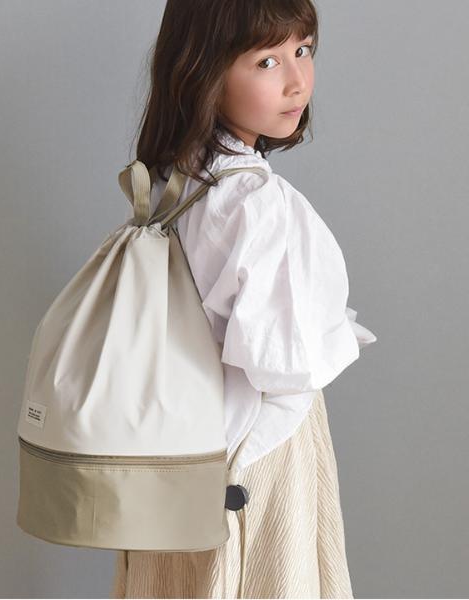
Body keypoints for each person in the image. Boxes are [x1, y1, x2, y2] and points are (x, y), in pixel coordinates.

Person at [111, 0, 377, 598]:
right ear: (203, 71)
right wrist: (337, 333)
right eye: (266, 61)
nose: (297, 80)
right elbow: (283, 364)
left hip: (177, 451)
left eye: (303, 50)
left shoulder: (172, 183)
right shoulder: (255, 202)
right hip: (255, 457)